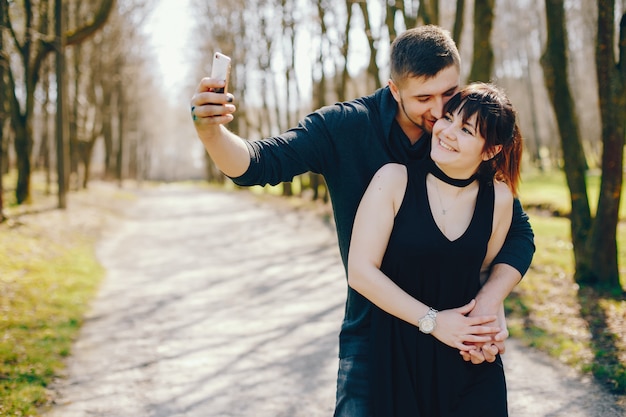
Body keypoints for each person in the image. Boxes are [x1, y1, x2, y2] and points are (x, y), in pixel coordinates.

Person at [190, 25, 534, 417]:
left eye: (450, 94)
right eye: (424, 98)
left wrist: (488, 305)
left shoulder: (460, 136)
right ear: (394, 89)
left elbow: (516, 231)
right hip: (374, 335)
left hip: (457, 342)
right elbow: (258, 162)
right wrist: (210, 132)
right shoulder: (345, 127)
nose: (440, 113)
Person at [348, 82, 523, 416]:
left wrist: (489, 331)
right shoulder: (393, 180)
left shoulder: (499, 198)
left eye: (466, 129)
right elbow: (360, 271)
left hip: (469, 364)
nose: (446, 132)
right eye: (448, 118)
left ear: (490, 150)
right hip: (402, 357)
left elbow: (484, 272)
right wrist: (432, 321)